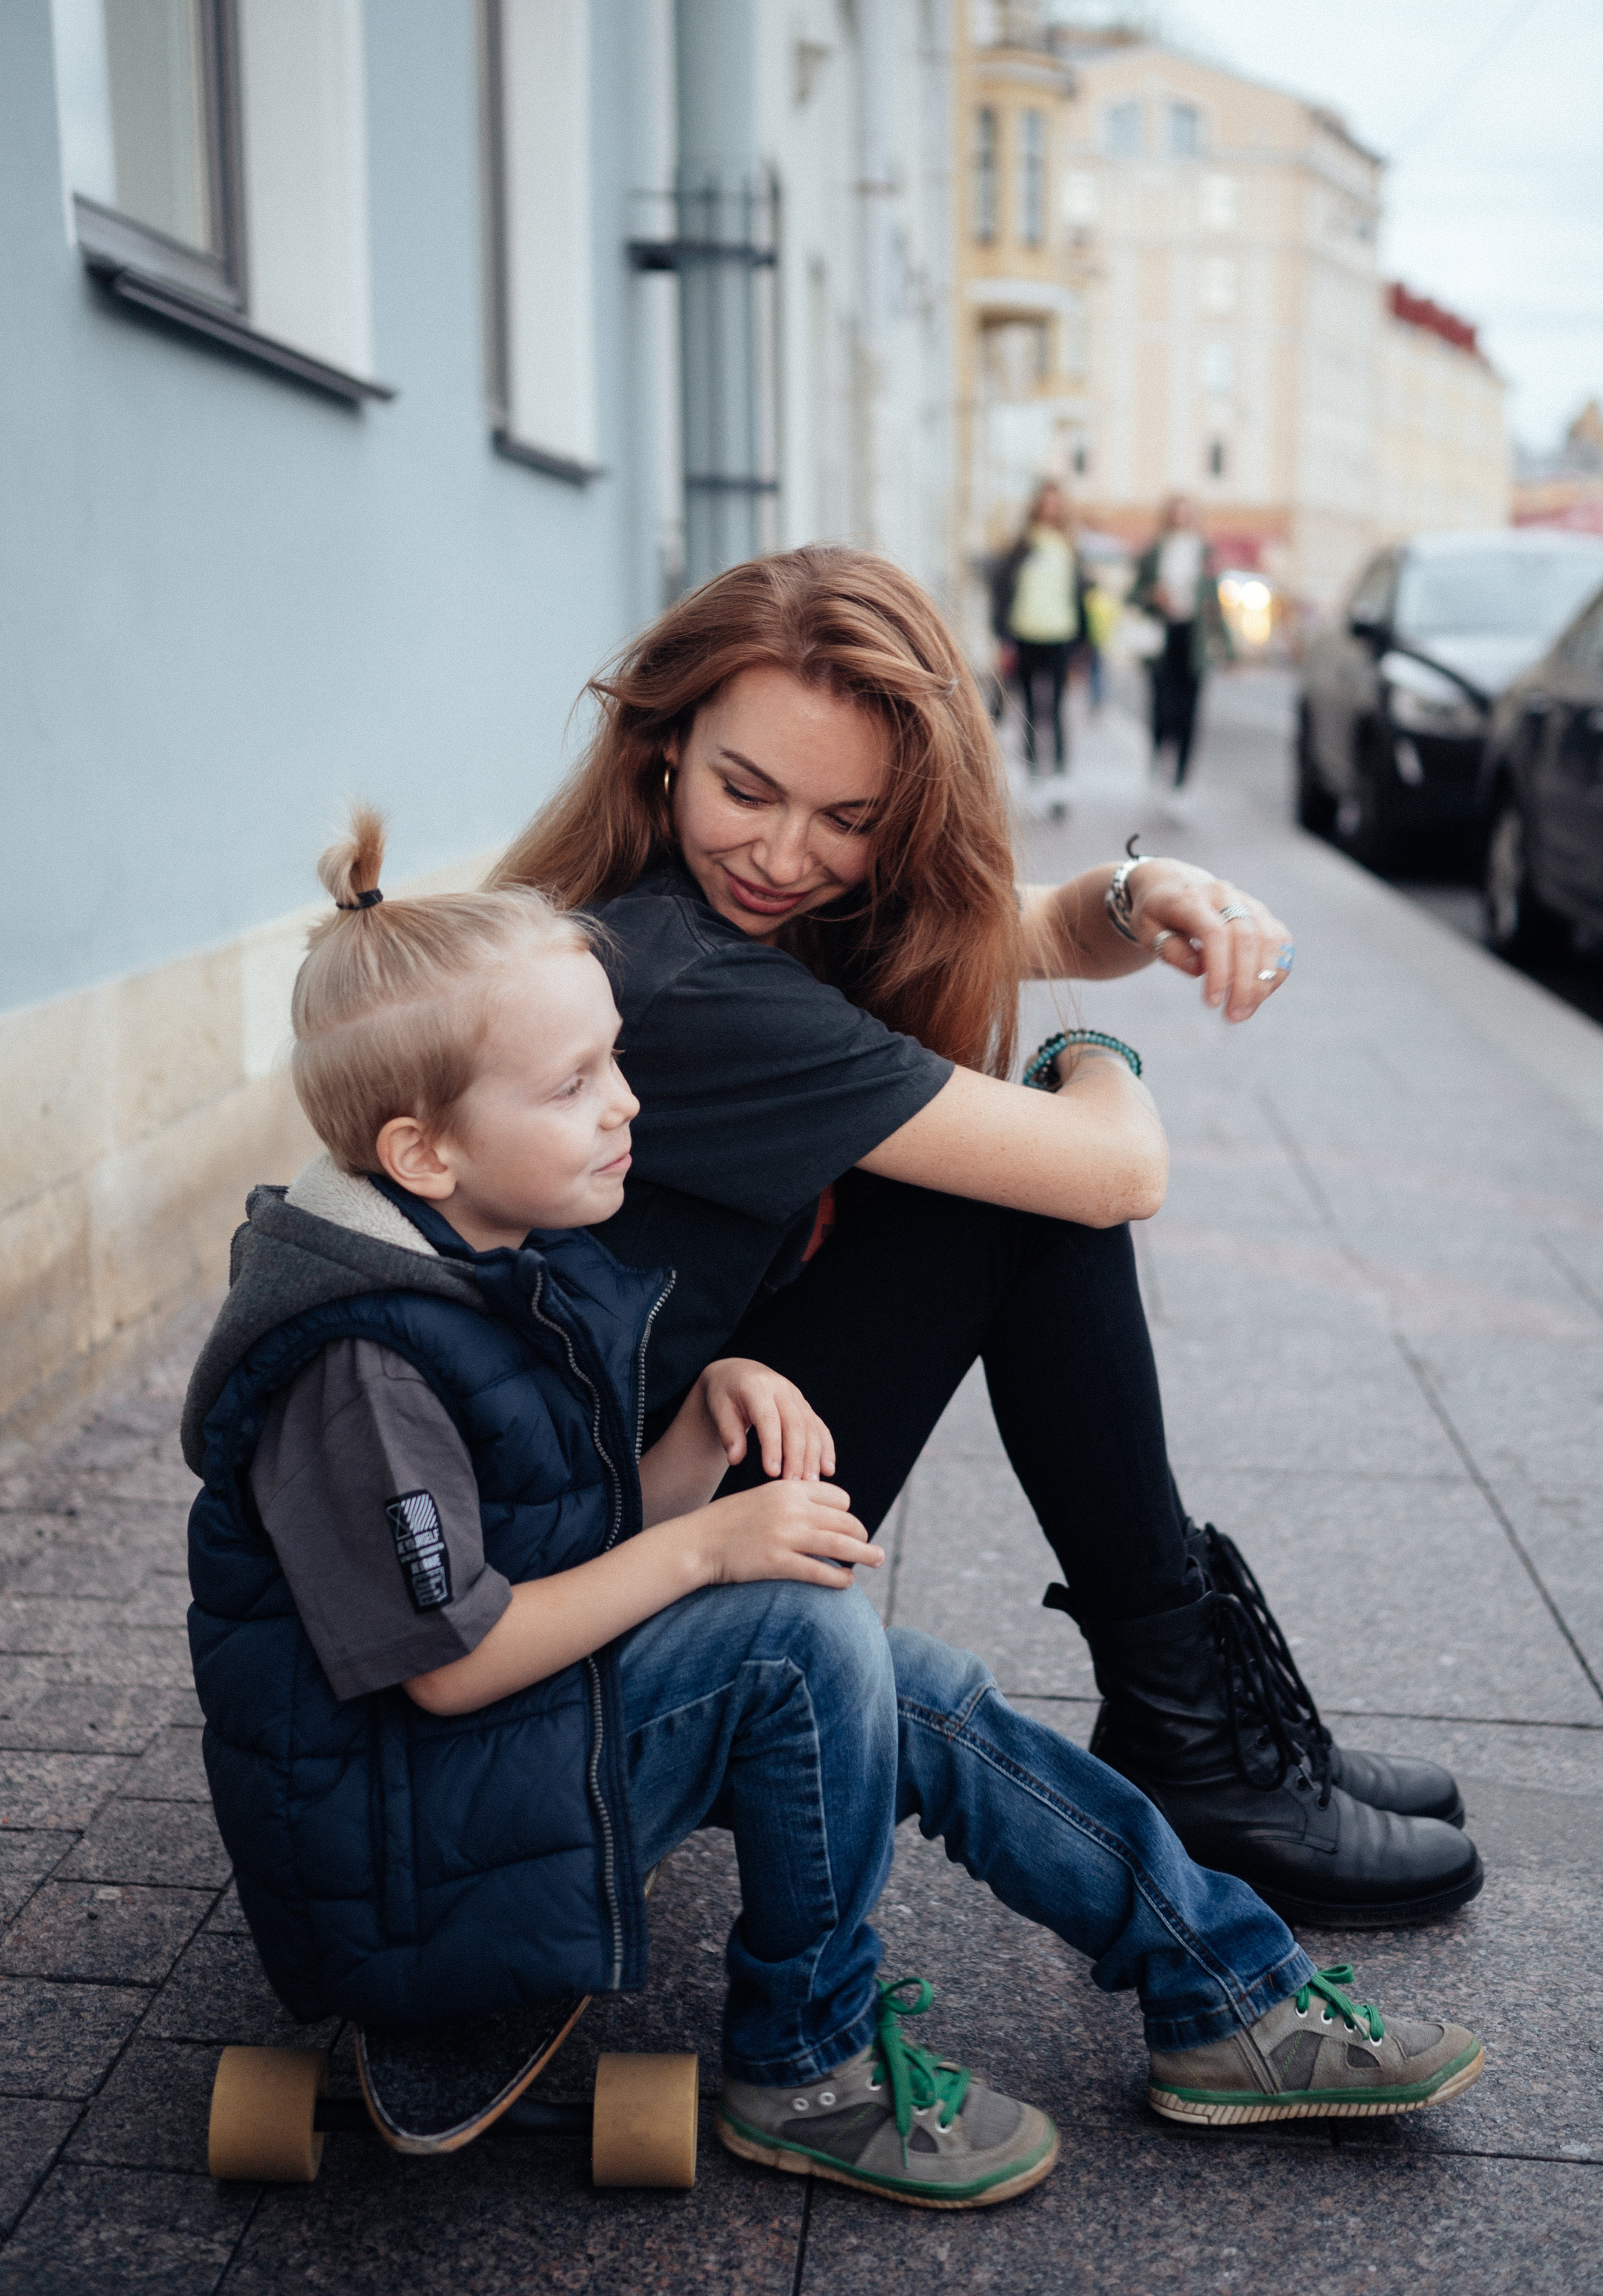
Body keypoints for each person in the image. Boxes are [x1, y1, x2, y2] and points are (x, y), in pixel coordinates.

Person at [182, 812, 1483, 2212]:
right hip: (407, 1865)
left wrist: (701, 1420)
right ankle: (801, 2058)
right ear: (423, 1152)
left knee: (903, 1685)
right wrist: (705, 1543)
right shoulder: (355, 1365)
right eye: (574, 1083)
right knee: (797, 1642)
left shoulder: (488, 1252)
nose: (626, 1100)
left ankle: (1227, 1991)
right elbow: (450, 1664)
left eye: (615, 1057)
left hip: (491, 1770)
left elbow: (560, 1532)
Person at [492, 544, 1485, 1933]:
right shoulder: (679, 983)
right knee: (1023, 1201)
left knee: (1001, 1181)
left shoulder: (693, 912)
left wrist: (1147, 895)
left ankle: (1191, 1723)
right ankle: (1189, 1740)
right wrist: (1090, 1054)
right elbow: (1111, 1171)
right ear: (661, 749)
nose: (787, 856)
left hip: (626, 1473)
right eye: (746, 790)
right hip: (605, 1585)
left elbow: (1007, 926)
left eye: (847, 817)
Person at [1133, 494, 1227, 815]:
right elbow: (1134, 594)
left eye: (1187, 513)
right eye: (1177, 513)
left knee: (1190, 715)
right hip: (1163, 638)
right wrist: (1151, 596)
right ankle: (1159, 763)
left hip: (1194, 641)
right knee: (1161, 709)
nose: (1182, 519)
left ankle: (1182, 785)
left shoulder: (1205, 553)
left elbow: (1216, 603)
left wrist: (1228, 650)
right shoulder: (1154, 551)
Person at [989, 482, 1090, 780]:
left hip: (1060, 635)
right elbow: (1003, 591)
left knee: (1058, 710)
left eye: (1055, 504)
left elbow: (1079, 595)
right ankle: (1033, 774)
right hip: (1025, 634)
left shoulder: (1069, 546)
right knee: (1030, 710)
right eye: (1045, 503)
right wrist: (1003, 635)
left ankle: (1059, 775)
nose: (1050, 509)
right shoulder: (1022, 544)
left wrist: (1084, 644)